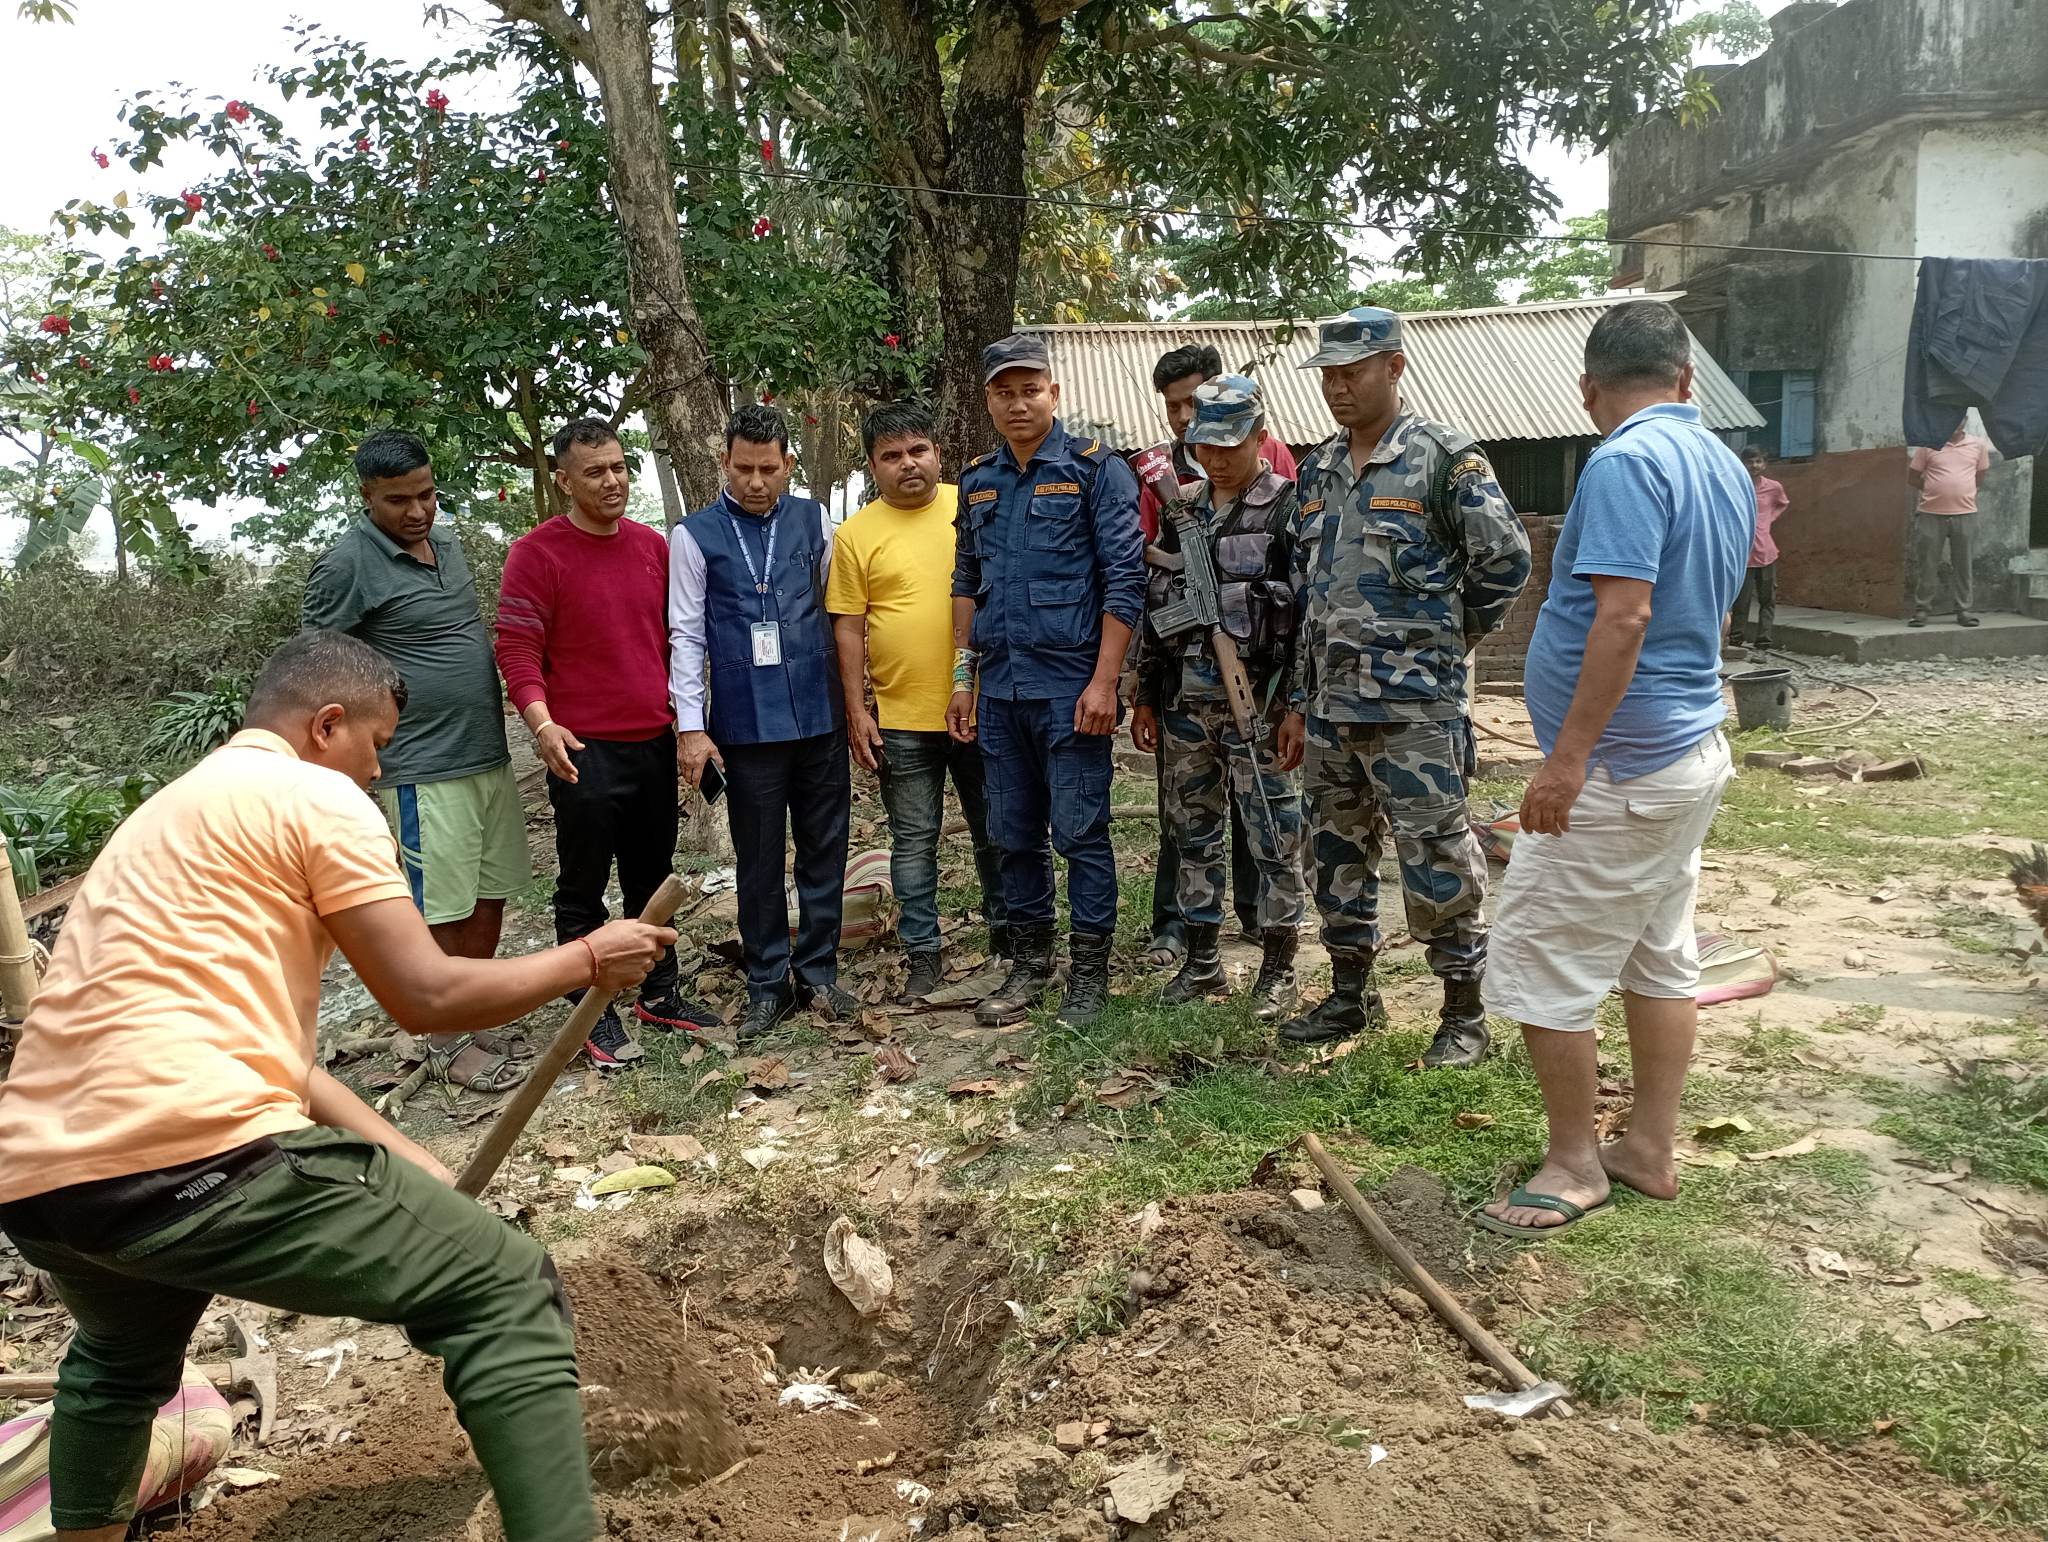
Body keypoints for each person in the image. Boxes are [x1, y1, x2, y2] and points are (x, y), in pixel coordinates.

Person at [0, 630, 675, 1542]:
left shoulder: (169, 818)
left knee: (119, 1365)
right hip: (193, 1152)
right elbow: (427, 995)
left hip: (44, 1182)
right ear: (326, 726)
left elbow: (282, 1060)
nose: (375, 772)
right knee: (505, 1285)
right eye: (377, 747)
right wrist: (590, 954)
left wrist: (411, 1164)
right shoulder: (314, 795)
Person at [1479, 299, 1749, 1238]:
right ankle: (1649, 1146)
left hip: (1624, 770)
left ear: (1590, 390)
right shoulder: (1720, 462)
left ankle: (1573, 1163)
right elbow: (1705, 606)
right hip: (1682, 750)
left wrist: (1565, 762)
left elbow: (1625, 617)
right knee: (1656, 953)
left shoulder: (1626, 462)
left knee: (1540, 958)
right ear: (1685, 381)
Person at [1274, 306, 1531, 1067]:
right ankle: (1351, 993)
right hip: (1329, 710)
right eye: (1328, 375)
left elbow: (1505, 563)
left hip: (1414, 710)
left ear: (1394, 367)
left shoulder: (1446, 460)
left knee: (1436, 853)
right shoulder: (1317, 470)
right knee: (1335, 854)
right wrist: (1296, 700)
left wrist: (1447, 644)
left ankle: (1463, 1013)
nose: (1338, 387)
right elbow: (1308, 599)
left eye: (1353, 372)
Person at [302, 428, 533, 1094]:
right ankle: (444, 1040)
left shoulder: (450, 542)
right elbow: (319, 666)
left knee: (490, 894)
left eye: (427, 494)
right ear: (367, 496)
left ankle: (473, 1007)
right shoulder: (347, 564)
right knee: (441, 909)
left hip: (487, 753)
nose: (418, 511)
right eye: (399, 499)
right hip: (421, 764)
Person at [497, 418, 708, 1069]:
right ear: (563, 480)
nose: (612, 480)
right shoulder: (538, 553)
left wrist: (688, 722)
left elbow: (679, 642)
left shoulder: (652, 547)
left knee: (653, 878)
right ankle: (592, 1010)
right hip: (582, 749)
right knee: (583, 886)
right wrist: (541, 723)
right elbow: (516, 647)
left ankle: (660, 992)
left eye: (619, 467)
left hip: (650, 741)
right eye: (595, 471)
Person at [949, 333, 1144, 1029]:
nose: (1018, 402)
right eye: (1005, 391)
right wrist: (963, 678)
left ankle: (1089, 975)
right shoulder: (978, 482)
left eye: (1030, 389)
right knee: (1013, 834)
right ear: (989, 401)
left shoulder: (1098, 471)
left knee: (1082, 835)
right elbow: (966, 579)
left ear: (1053, 394)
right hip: (1000, 691)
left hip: (1071, 690)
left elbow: (1125, 580)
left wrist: (1105, 683)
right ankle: (1031, 965)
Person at [672, 404, 855, 1039]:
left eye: (769, 469)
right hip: (746, 727)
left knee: (825, 848)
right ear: (723, 462)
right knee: (757, 858)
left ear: (787, 466)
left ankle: (821, 971)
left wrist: (858, 704)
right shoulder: (693, 536)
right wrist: (691, 727)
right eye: (744, 468)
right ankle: (767, 981)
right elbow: (687, 634)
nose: (756, 482)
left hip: (819, 714)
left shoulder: (816, 523)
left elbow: (840, 613)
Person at [1132, 376, 1306, 1021]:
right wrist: (1146, 696)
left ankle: (1280, 966)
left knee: (1274, 834)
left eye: (1231, 445)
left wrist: (1296, 705)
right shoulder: (1182, 510)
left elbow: (1310, 619)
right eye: (1206, 446)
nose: (1218, 458)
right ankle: (1202, 962)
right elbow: (1156, 610)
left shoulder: (1290, 507)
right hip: (1187, 705)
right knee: (1192, 832)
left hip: (1257, 707)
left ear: (1260, 437)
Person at [828, 402, 1007, 1004]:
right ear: (873, 466)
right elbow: (849, 627)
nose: (908, 465)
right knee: (912, 839)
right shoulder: (856, 536)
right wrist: (858, 710)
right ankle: (923, 954)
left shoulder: (973, 505)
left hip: (983, 707)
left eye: (917, 451)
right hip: (902, 719)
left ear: (936, 452)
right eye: (891, 456)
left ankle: (1010, 944)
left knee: (997, 831)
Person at [1908, 420, 1991, 628]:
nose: (1954, 422)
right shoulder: (1928, 444)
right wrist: (1934, 491)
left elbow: (1979, 477)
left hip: (1965, 514)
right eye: (1949, 417)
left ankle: (1964, 610)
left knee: (1964, 565)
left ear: (1965, 421)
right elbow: (1913, 477)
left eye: (1958, 418)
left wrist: (1961, 492)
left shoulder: (1978, 445)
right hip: (1930, 514)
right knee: (1927, 565)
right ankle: (1921, 610)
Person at [1727, 445, 1788, 651]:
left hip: (1767, 553)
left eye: (1758, 461)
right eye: (1749, 461)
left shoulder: (1773, 487)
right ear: (1742, 464)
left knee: (1767, 599)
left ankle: (1764, 640)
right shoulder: (1735, 487)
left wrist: (1769, 519)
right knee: (1741, 601)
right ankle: (1736, 639)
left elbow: (1782, 503)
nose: (1754, 465)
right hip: (1743, 554)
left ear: (1764, 463)